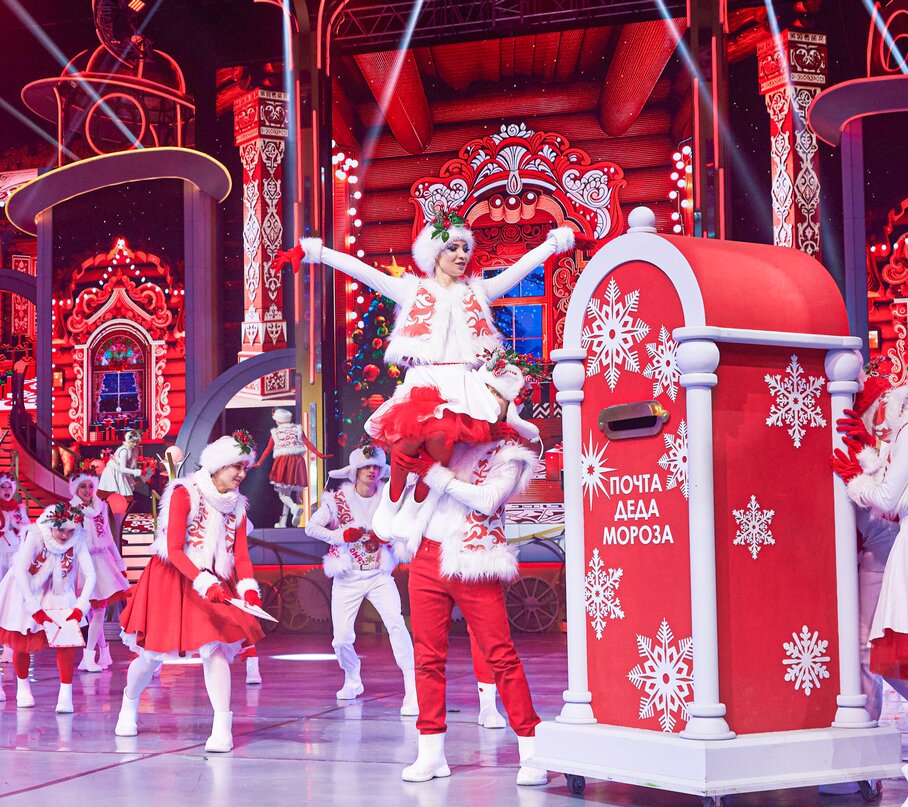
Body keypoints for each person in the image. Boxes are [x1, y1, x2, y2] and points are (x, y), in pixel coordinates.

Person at [279, 210, 574, 540]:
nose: (462, 255)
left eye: (465, 248)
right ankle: (392, 499)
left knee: (440, 447)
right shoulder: (411, 291)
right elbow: (361, 270)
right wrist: (315, 252)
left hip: (461, 386)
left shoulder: (477, 292)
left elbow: (519, 270)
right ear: (435, 254)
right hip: (424, 382)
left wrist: (554, 244)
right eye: (453, 248)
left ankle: (416, 506)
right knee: (407, 444)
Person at [393, 360, 548, 786]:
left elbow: (486, 500)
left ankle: (532, 750)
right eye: (486, 391)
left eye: (498, 396)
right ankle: (430, 753)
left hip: (474, 563)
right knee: (427, 658)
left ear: (508, 405)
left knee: (500, 655)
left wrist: (434, 474)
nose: (488, 401)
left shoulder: (510, 453)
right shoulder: (451, 438)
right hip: (427, 557)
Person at [116, 431, 265, 751]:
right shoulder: (185, 493)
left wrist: (248, 589)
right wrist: (204, 583)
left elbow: (241, 556)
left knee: (215, 648)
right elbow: (174, 549)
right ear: (217, 465)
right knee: (150, 656)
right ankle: (129, 703)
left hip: (212, 580)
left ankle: (222, 728)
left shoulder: (237, 505)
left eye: (245, 468)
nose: (241, 474)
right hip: (172, 577)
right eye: (236, 467)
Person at [306, 443, 418, 715]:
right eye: (366, 466)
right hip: (348, 575)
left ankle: (413, 687)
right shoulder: (337, 500)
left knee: (396, 624)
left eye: (376, 466)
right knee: (341, 639)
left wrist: (389, 536)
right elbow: (311, 527)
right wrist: (340, 536)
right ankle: (352, 677)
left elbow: (407, 526)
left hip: (379, 574)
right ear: (355, 471)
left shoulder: (390, 497)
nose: (372, 471)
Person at [841, 381, 908, 683]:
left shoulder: (904, 432)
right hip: (887, 540)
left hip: (891, 542)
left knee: (880, 645)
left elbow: (887, 499)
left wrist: (856, 484)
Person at [0, 502, 95, 711]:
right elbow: (21, 571)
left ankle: (65, 696)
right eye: (61, 530)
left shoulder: (78, 539)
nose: (65, 535)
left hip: (58, 589)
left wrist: (81, 605)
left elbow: (90, 574)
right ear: (51, 525)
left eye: (70, 530)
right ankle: (23, 687)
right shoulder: (36, 534)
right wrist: (33, 607)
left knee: (66, 641)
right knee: (22, 639)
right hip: (27, 588)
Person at [69, 473, 129, 672]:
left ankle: (89, 656)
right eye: (82, 486)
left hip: (102, 562)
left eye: (90, 486)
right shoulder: (71, 510)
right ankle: (103, 652)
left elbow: (109, 538)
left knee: (99, 610)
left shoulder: (101, 507)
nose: (87, 490)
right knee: (93, 611)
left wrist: (120, 564)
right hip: (82, 563)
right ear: (76, 489)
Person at [252, 408, 332, 528]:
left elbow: (268, 450)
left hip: (283, 462)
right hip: (297, 462)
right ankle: (283, 522)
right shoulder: (297, 429)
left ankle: (294, 508)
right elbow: (308, 443)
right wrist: (319, 454)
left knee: (282, 495)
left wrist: (259, 462)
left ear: (278, 420)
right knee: (287, 493)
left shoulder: (276, 433)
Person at [0, 474, 29, 664]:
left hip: (14, 557)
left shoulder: (19, 509)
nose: (7, 491)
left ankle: (8, 647)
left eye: (9, 487)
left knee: (10, 600)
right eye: (3, 487)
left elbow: (26, 532)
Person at [98, 429, 147, 505]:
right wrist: (137, 472)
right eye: (132, 442)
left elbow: (130, 466)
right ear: (128, 441)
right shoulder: (125, 451)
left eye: (136, 442)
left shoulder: (134, 450)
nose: (135, 444)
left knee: (125, 496)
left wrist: (139, 472)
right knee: (119, 495)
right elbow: (122, 469)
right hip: (113, 473)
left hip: (120, 473)